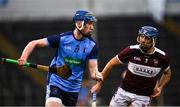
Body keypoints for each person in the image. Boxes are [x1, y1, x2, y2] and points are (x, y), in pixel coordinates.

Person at [18, 10, 103, 107]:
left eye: (93, 24)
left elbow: (93, 70)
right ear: (79, 24)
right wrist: (23, 57)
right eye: (89, 24)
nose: (92, 28)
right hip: (56, 82)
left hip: (73, 89)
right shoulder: (63, 39)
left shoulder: (92, 45)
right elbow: (34, 43)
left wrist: (97, 75)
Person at [91, 26, 172, 106]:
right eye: (141, 37)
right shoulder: (131, 50)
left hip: (143, 96)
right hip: (123, 92)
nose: (143, 40)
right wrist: (99, 84)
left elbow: (167, 73)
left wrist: (160, 87)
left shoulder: (162, 57)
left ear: (153, 40)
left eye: (147, 38)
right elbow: (110, 64)